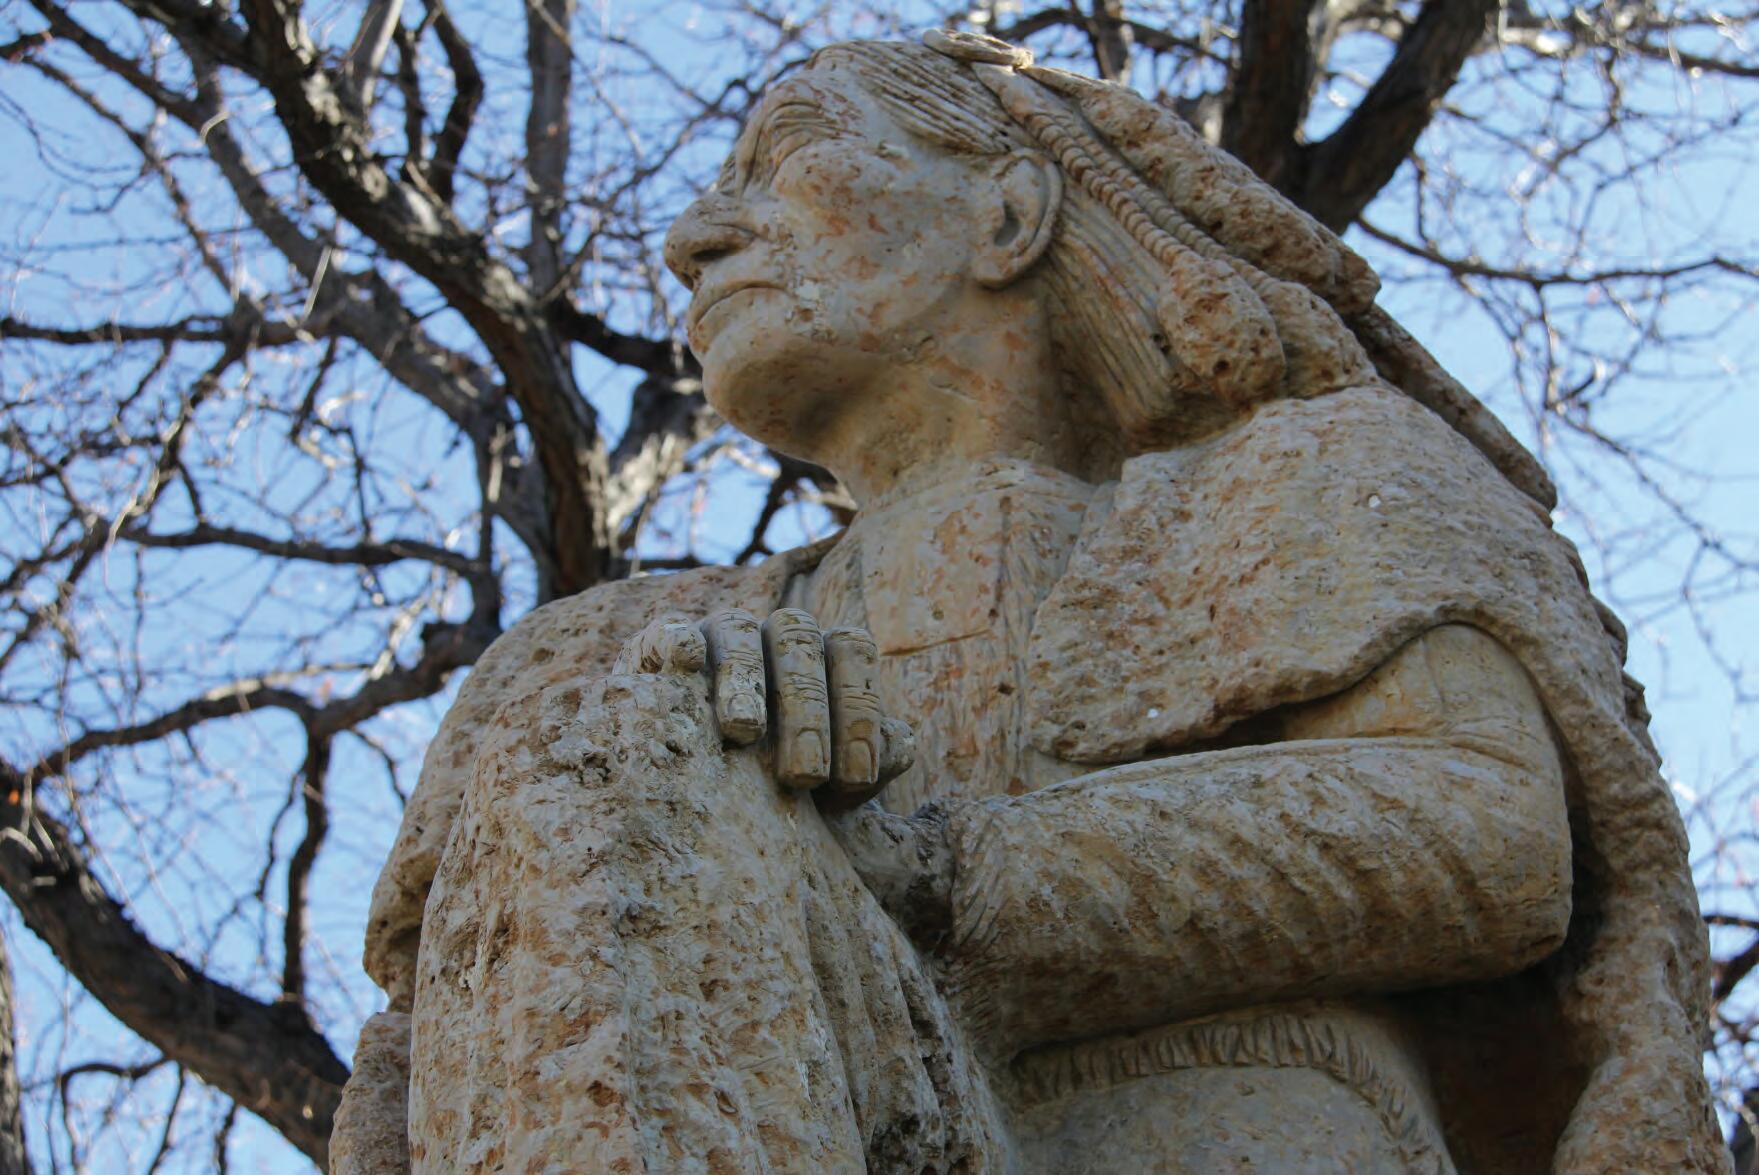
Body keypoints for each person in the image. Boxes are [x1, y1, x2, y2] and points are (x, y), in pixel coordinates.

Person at [334, 31, 1724, 1174]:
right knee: (611, 721)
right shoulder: (601, 649)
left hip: (1222, 1125)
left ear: (1008, 214)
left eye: (788, 159)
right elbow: (413, 1082)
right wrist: (698, 750)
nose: (695, 237)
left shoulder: (1303, 476)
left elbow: (1487, 833)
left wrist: (942, 872)